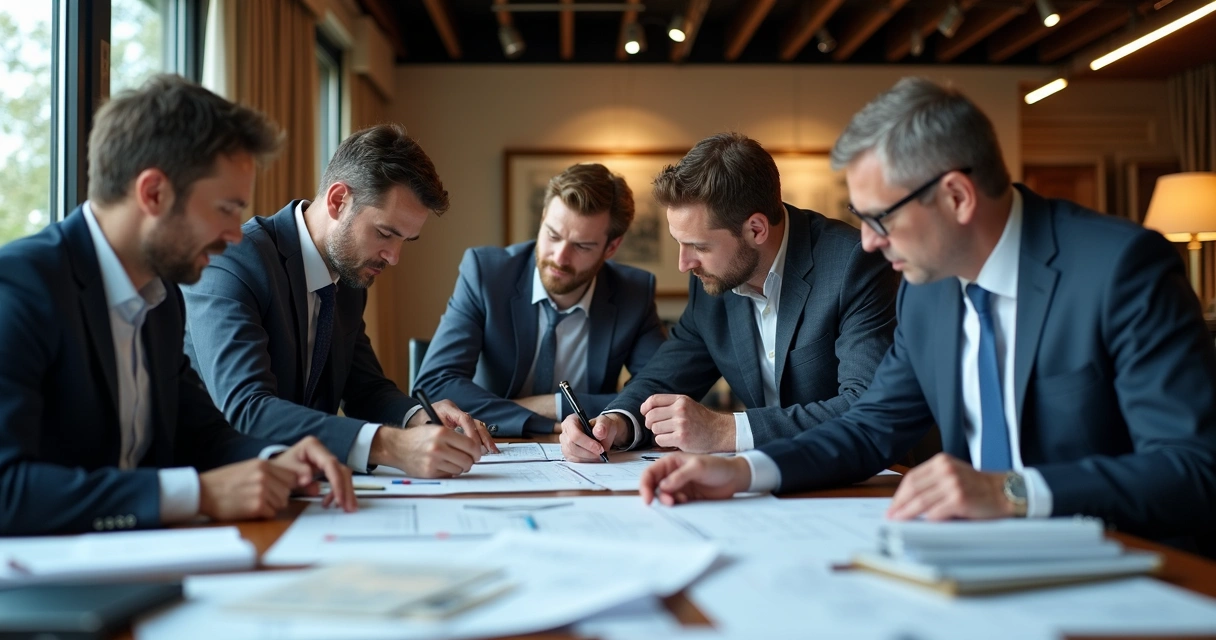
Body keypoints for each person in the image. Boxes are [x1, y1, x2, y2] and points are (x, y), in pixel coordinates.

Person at [639, 78, 1216, 552]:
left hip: (1127, 562)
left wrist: (1011, 491)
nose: (866, 243)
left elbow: (1192, 469)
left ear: (957, 197)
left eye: (879, 219)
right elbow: (870, 425)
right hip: (978, 559)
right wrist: (744, 472)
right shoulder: (927, 290)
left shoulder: (1119, 270)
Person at [0, 75, 356, 535]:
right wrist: (199, 495)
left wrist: (275, 461)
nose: (234, 235)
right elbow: (7, 490)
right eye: (226, 209)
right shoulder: (21, 288)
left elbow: (202, 435)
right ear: (153, 193)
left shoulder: (161, 298)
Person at [183, 125, 496, 480]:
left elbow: (365, 388)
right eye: (385, 233)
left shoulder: (348, 276)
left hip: (306, 488)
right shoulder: (234, 262)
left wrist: (419, 418)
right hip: (223, 491)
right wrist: (390, 445)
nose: (393, 257)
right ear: (337, 201)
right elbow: (246, 410)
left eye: (406, 240)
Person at [561, 132, 898, 460]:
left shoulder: (853, 263)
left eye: (699, 246)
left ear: (756, 229)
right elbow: (666, 374)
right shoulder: (712, 282)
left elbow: (865, 404)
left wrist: (726, 431)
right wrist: (616, 424)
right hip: (765, 483)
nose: (684, 264)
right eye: (680, 243)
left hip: (864, 480)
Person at [414, 163, 666, 436]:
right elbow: (435, 386)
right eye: (552, 235)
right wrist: (546, 423)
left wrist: (552, 405)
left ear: (611, 247)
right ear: (543, 217)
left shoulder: (633, 292)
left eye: (582, 246)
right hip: (494, 446)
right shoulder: (486, 275)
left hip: (590, 457)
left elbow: (659, 393)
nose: (559, 257)